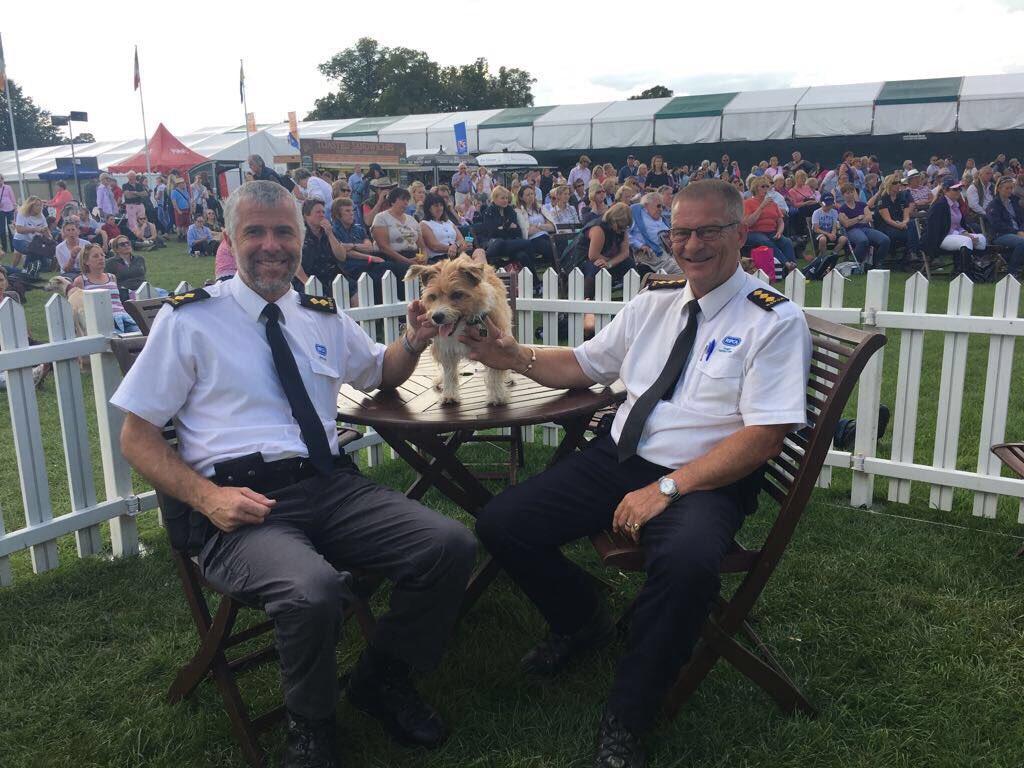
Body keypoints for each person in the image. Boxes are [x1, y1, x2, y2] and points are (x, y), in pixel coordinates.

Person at [111, 180, 475, 768]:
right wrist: (206, 498)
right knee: (312, 591)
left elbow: (379, 373)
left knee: (450, 546)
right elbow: (137, 436)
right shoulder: (190, 321)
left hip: (329, 485)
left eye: (284, 232)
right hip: (244, 505)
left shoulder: (319, 316)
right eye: (254, 231)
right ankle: (312, 725)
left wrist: (414, 338)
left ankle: (381, 678)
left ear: (302, 240)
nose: (270, 245)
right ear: (230, 238)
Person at [464, 179, 810, 768]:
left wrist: (668, 488)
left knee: (686, 564)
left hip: (704, 478)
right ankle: (583, 618)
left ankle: (628, 715)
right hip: (619, 457)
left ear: (739, 233)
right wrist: (513, 356)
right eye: (681, 232)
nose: (692, 245)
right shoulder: (656, 299)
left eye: (709, 231)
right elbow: (585, 364)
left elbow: (765, 434)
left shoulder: (772, 320)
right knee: (502, 523)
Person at [923, 178, 986, 275]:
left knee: (981, 239)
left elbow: (958, 225)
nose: (958, 192)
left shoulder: (956, 205)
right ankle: (965, 274)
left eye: (959, 189)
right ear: (945, 190)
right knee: (966, 241)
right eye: (955, 189)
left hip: (953, 235)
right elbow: (940, 229)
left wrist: (965, 233)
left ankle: (976, 269)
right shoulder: (939, 206)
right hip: (939, 238)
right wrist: (964, 236)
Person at [72, 244, 139, 334]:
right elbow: (78, 308)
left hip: (123, 318)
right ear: (86, 261)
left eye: (102, 255)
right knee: (117, 340)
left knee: (140, 334)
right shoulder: (81, 281)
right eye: (96, 256)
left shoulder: (112, 277)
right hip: (100, 323)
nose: (101, 258)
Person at [743, 177, 797, 272]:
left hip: (771, 232)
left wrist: (779, 232)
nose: (765, 189)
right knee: (765, 241)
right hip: (753, 232)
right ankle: (786, 264)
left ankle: (791, 270)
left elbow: (780, 221)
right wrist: (761, 207)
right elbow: (748, 223)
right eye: (762, 186)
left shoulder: (773, 204)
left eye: (767, 186)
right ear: (756, 188)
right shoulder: (748, 203)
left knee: (787, 241)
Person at [371, 188, 424, 272]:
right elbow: (383, 246)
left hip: (412, 255)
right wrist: (406, 260)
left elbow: (422, 246)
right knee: (406, 269)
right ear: (392, 201)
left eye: (407, 200)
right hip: (391, 258)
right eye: (403, 199)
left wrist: (423, 257)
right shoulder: (381, 218)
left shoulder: (412, 219)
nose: (406, 203)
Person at [838, 184, 890, 269]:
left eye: (852, 192)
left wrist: (853, 220)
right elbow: (846, 224)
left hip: (865, 228)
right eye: (847, 193)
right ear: (843, 195)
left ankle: (877, 262)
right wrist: (859, 218)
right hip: (851, 230)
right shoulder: (842, 209)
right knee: (863, 240)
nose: (850, 195)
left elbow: (869, 217)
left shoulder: (862, 205)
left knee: (885, 239)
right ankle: (857, 264)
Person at [985, 176, 1024, 279]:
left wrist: (1021, 230)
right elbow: (996, 225)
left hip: (1017, 233)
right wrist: (1016, 232)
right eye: (1007, 188)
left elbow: (1022, 219)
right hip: (1000, 235)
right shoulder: (993, 205)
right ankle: (1012, 272)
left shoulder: (1014, 202)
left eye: (1011, 188)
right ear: (998, 189)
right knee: (1022, 243)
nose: (1010, 191)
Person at [629, 192, 677, 274]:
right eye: (658, 206)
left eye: (662, 206)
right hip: (650, 255)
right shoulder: (636, 213)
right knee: (681, 269)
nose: (661, 209)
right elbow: (624, 234)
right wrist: (639, 245)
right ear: (646, 205)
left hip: (667, 252)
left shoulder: (661, 219)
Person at [875, 175, 920, 262]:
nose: (898, 184)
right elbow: (887, 219)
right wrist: (900, 225)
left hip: (901, 225)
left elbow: (906, 214)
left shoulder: (901, 196)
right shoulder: (883, 199)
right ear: (888, 184)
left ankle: (910, 254)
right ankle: (911, 254)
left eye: (900, 182)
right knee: (913, 234)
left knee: (913, 224)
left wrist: (904, 222)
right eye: (895, 183)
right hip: (886, 227)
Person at [420, 192, 469, 262]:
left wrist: (455, 246)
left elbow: (461, 240)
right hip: (439, 258)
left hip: (457, 254)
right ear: (429, 208)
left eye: (441, 205)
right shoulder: (424, 224)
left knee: (479, 251)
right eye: (436, 206)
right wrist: (452, 248)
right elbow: (434, 246)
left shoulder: (448, 222)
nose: (440, 208)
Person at [12, 197, 51, 270]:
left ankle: (39, 266)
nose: (39, 207)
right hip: (20, 240)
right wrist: (35, 229)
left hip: (34, 241)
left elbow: (46, 229)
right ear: (30, 205)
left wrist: (50, 238)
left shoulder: (41, 216)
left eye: (40, 205)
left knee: (42, 253)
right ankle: (27, 267)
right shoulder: (22, 214)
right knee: (33, 249)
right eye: (36, 205)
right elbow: (19, 229)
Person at [0, 174, 16, 253]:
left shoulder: (7, 187)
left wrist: (15, 206)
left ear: (2, 179)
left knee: (11, 229)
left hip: (10, 209)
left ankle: (13, 248)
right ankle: (4, 248)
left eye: (1, 179)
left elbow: (12, 197)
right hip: (1, 211)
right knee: (2, 230)